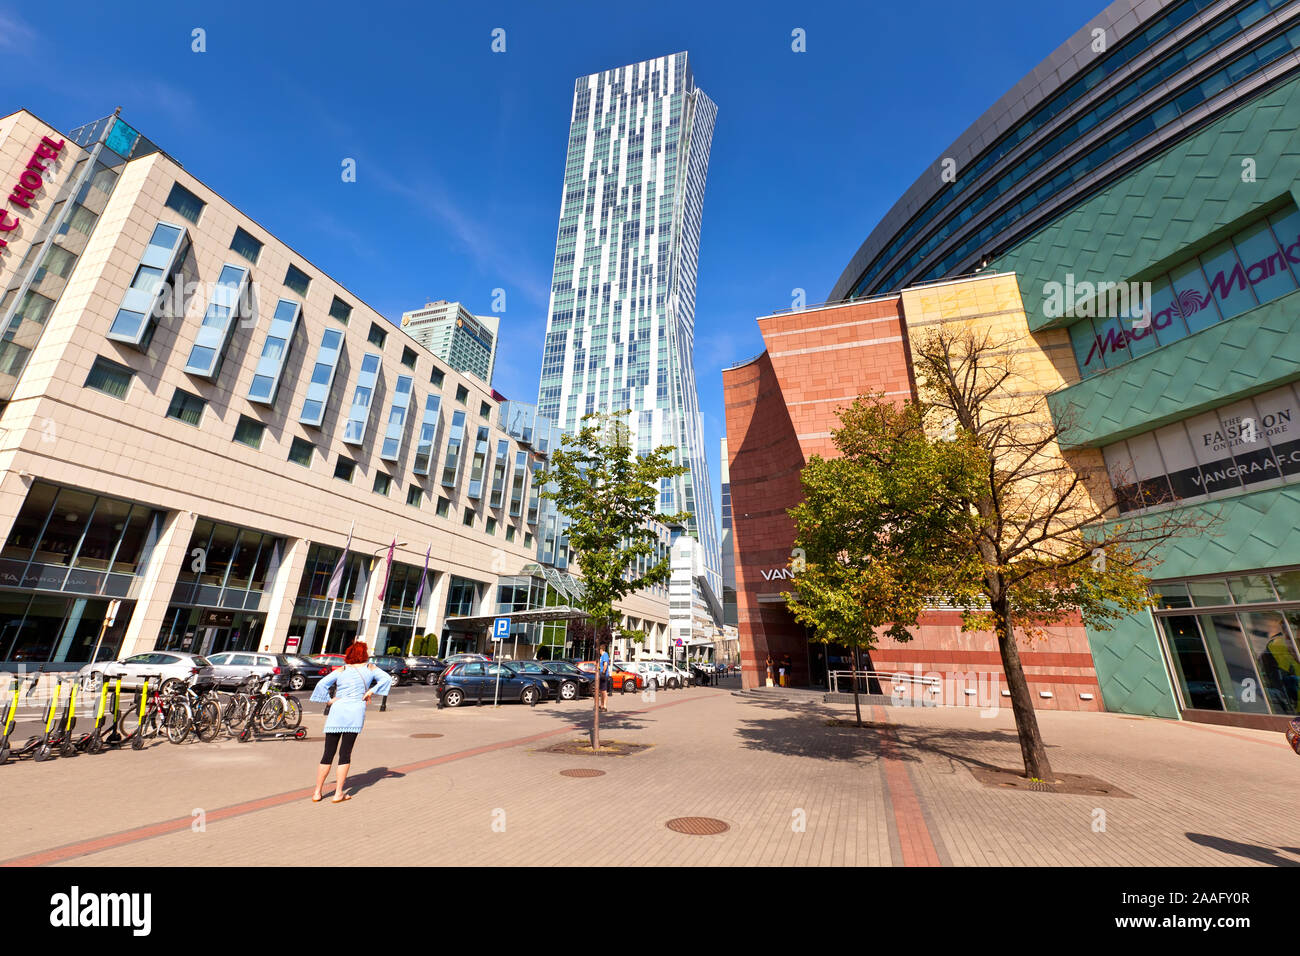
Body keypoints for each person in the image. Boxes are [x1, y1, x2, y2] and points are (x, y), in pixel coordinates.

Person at [309, 641, 391, 804]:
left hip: (337, 711)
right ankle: (338, 793)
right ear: (364, 654)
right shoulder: (370, 668)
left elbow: (321, 684)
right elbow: (387, 679)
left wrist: (329, 700)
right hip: (355, 712)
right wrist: (370, 691)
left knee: (327, 753)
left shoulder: (343, 669)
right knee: (345, 754)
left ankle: (317, 792)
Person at [598, 644, 612, 711]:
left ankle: (605, 706)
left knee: (604, 691)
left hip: (603, 675)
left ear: (601, 649)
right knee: (601, 690)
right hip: (601, 674)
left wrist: (603, 672)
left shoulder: (605, 655)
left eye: (599, 650)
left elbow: (605, 664)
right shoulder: (602, 656)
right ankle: (601, 705)